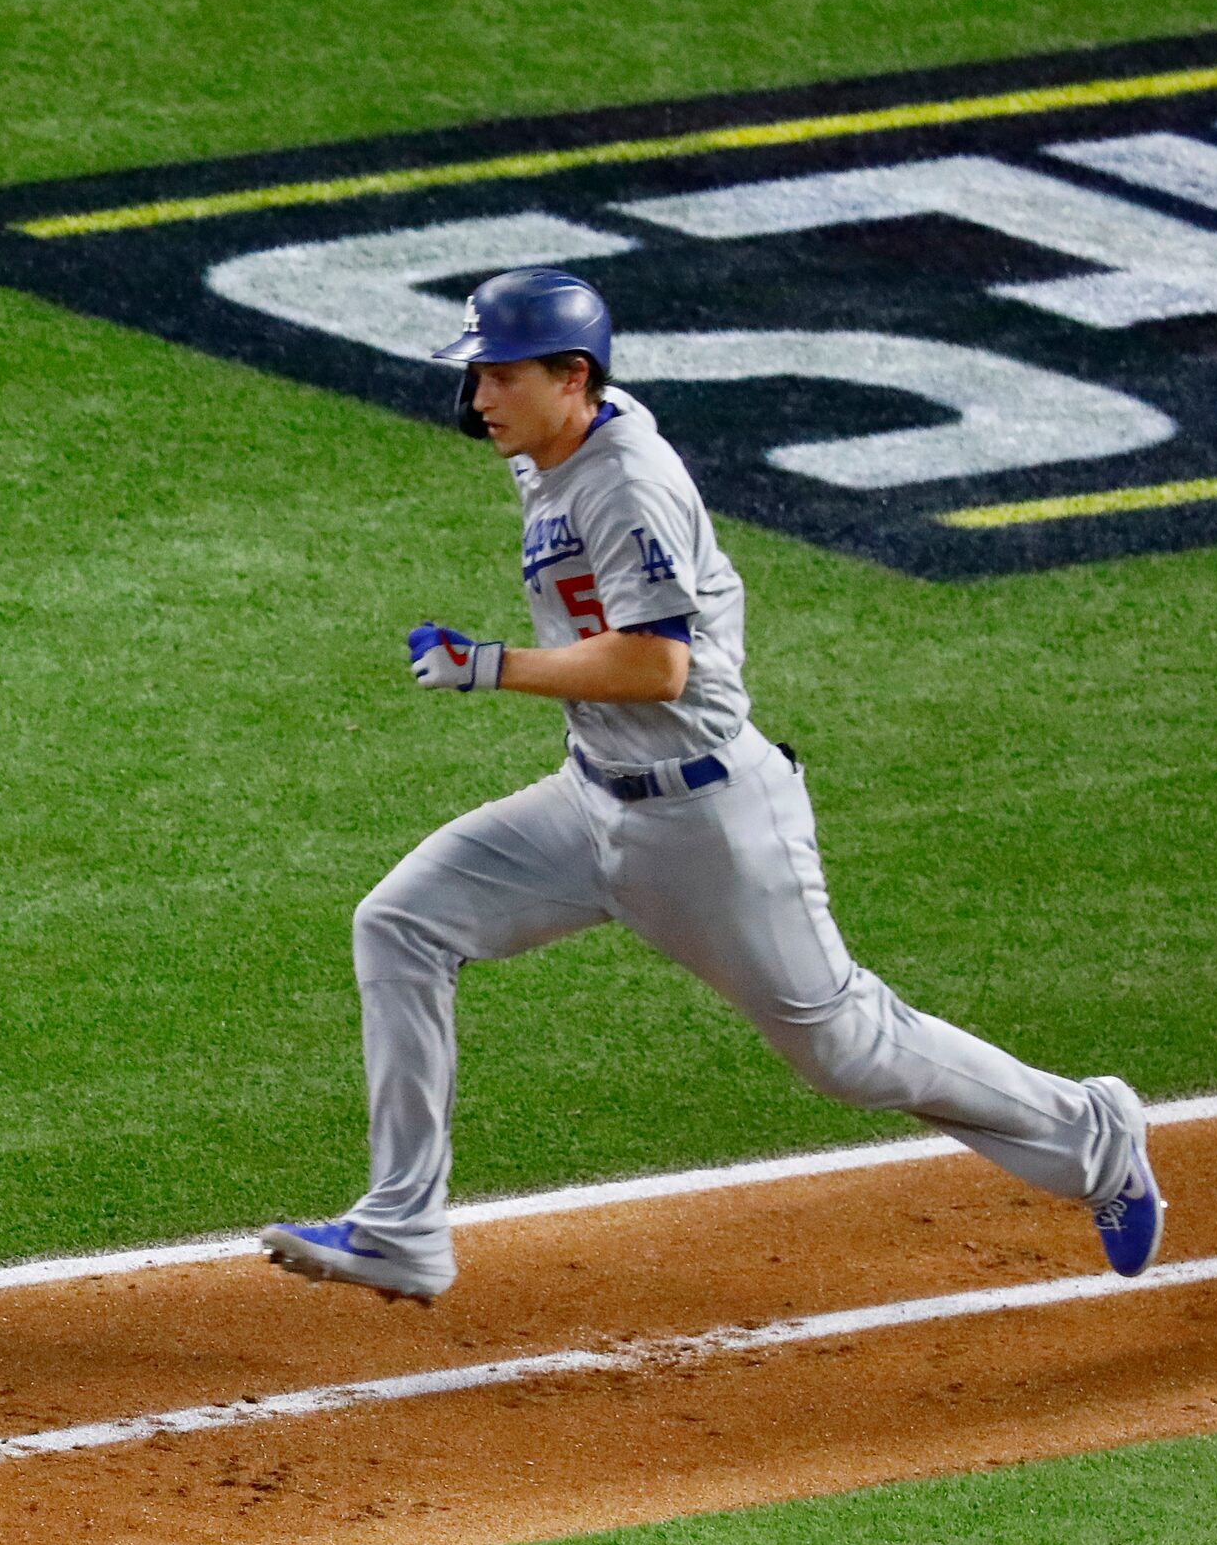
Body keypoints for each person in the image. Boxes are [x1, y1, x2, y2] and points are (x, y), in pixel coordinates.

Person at [261, 268, 1162, 1303]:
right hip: (590, 800)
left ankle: (1094, 1134)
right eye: (475, 378)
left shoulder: (621, 481)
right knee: (401, 923)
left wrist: (488, 664)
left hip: (707, 824)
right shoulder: (555, 447)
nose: (476, 400)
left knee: (845, 1051)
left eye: (497, 377)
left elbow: (657, 666)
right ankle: (400, 1227)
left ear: (572, 377)